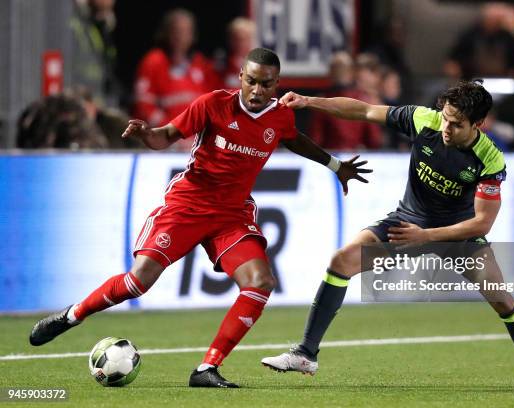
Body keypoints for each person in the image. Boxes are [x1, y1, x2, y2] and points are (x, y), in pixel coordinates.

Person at [28, 48, 371, 388]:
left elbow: (294, 140)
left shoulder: (280, 116)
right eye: (251, 81)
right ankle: (72, 315)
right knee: (138, 282)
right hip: (189, 204)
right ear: (240, 78)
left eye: (265, 84)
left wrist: (336, 166)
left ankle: (206, 368)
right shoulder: (213, 104)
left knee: (260, 282)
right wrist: (147, 133)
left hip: (231, 214)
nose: (257, 90)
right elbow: (167, 135)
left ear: (276, 84)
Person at [261, 80, 514, 390]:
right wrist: (309, 102)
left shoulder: (489, 159)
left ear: (479, 124)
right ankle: (306, 354)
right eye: (445, 118)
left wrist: (426, 235)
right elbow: (364, 110)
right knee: (342, 261)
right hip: (406, 224)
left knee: (503, 301)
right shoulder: (424, 120)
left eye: (456, 124)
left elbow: (482, 223)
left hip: (458, 236)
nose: (446, 128)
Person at [132, 8, 222, 149]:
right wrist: (173, 135)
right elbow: (144, 107)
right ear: (166, 33)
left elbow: (215, 107)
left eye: (185, 31)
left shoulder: (202, 64)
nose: (180, 36)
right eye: (176, 31)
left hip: (198, 144)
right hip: (163, 143)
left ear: (193, 36)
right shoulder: (153, 61)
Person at [308, 52, 383, 150]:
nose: (340, 73)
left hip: (343, 160)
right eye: (338, 69)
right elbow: (375, 141)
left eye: (342, 69)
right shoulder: (320, 103)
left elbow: (375, 141)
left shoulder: (364, 100)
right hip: (337, 160)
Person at [215, 17, 257, 89]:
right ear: (229, 40)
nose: (241, 43)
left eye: (245, 39)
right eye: (236, 39)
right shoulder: (220, 67)